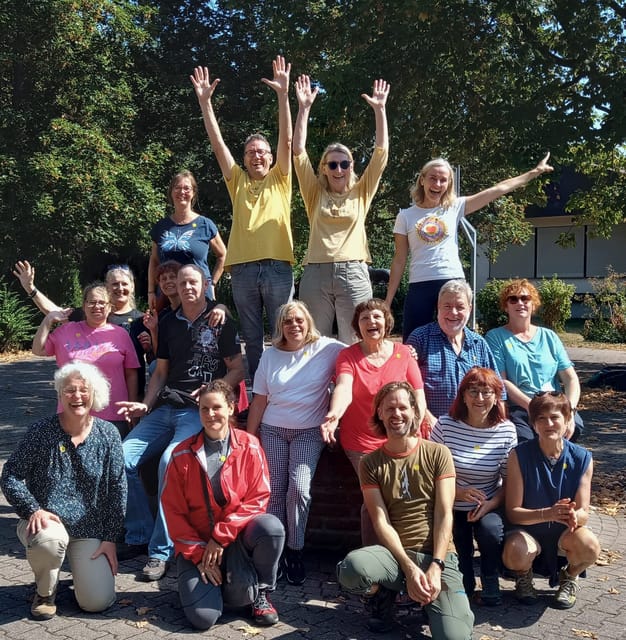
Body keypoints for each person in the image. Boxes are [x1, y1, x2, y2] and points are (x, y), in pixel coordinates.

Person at [116, 264, 245, 582]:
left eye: (193, 282)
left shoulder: (220, 318)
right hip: (163, 409)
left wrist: (212, 393)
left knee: (168, 462)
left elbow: (238, 368)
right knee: (120, 458)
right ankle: (140, 534)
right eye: (183, 282)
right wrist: (144, 406)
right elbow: (160, 372)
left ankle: (160, 552)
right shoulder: (169, 322)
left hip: (195, 412)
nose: (187, 287)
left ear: (204, 285)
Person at [336, 381, 474, 638]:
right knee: (352, 568)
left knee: (454, 636)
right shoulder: (371, 463)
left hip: (439, 556)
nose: (396, 414)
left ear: (414, 411)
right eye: (389, 408)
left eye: (402, 407)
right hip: (395, 557)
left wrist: (436, 566)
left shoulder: (438, 453)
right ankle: (384, 595)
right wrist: (410, 569)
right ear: (379, 413)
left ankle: (427, 601)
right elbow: (381, 521)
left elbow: (445, 514)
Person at [191, 55, 294, 379]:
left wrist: (283, 95)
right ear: (245, 159)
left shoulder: (281, 177)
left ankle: (283, 388)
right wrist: (205, 103)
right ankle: (256, 393)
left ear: (271, 156)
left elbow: (287, 139)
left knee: (284, 333)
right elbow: (217, 143)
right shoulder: (237, 181)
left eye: (262, 151)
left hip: (278, 267)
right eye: (251, 152)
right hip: (244, 270)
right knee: (251, 338)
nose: (257, 155)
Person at [0, 362, 126, 620]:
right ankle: (45, 591)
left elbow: (117, 488)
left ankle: (76, 575)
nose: (77, 396)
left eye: (83, 390)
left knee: (96, 602)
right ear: (59, 394)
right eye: (69, 390)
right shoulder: (41, 431)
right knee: (49, 542)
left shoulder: (108, 434)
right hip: (47, 524)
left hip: (88, 529)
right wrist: (32, 509)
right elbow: (10, 475)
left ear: (94, 394)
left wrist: (110, 539)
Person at [385, 153, 554, 340]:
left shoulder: (454, 207)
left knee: (453, 338)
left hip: (452, 280)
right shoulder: (406, 216)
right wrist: (388, 301)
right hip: (419, 284)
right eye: (433, 178)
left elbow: (499, 189)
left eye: (443, 180)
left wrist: (533, 173)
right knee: (412, 339)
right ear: (422, 180)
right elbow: (399, 260)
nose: (437, 184)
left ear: (448, 184)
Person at [161, 380, 284, 630]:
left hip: (235, 539)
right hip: (197, 545)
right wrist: (197, 554)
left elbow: (258, 497)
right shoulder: (182, 454)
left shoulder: (250, 445)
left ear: (230, 408)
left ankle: (260, 591)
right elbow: (173, 511)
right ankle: (219, 586)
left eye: (216, 407)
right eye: (204, 409)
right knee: (203, 619)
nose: (210, 414)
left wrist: (221, 537)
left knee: (271, 528)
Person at [246, 301, 345, 585]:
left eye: (299, 320)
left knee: (299, 490)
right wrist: (251, 439)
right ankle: (274, 553)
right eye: (288, 321)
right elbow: (260, 399)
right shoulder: (270, 355)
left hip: (309, 431)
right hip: (273, 429)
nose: (294, 325)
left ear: (309, 321)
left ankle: (295, 550)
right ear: (280, 327)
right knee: (275, 491)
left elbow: (357, 355)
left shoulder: (327, 348)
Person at [292, 75, 389, 343]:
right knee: (312, 342)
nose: (338, 169)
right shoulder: (314, 193)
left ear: (351, 167)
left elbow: (381, 154)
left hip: (354, 273)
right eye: (332, 164)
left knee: (358, 341)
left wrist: (380, 110)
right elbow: (298, 152)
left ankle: (353, 387)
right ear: (324, 167)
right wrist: (304, 109)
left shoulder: (361, 192)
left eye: (344, 164)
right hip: (316, 273)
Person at [320, 299, 426, 545]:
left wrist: (414, 427)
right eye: (364, 318)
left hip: (401, 438)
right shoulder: (348, 356)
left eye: (377, 316)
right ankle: (372, 567)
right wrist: (334, 415)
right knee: (374, 498)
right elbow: (344, 388)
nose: (371, 322)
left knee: (406, 497)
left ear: (386, 322)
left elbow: (418, 395)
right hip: (361, 441)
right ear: (357, 325)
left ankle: (408, 554)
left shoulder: (403, 353)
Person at [502, 391, 600, 610]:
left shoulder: (583, 457)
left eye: (555, 417)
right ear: (533, 424)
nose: (549, 423)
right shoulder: (518, 455)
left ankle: (570, 576)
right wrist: (548, 513)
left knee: (590, 546)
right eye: (541, 418)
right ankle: (523, 576)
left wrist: (574, 515)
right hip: (527, 530)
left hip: (565, 531)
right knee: (514, 552)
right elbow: (513, 512)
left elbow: (584, 511)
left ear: (566, 420)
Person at [430, 367, 517, 606]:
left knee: (490, 531)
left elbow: (509, 481)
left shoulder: (506, 431)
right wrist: (456, 492)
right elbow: (428, 471)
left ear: (496, 396)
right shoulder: (445, 426)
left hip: (488, 501)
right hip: (450, 502)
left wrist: (490, 504)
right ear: (463, 395)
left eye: (486, 392)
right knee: (459, 538)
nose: (480, 398)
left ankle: (490, 578)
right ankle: (464, 582)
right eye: (473, 391)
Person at [14, 261, 151, 395]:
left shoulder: (142, 320)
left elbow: (158, 358)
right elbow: (55, 313)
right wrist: (31, 289)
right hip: (90, 394)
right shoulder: (91, 313)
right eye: (115, 284)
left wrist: (150, 346)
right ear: (106, 287)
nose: (120, 288)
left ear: (132, 287)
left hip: (131, 393)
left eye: (124, 284)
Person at [31, 282, 140, 437]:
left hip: (114, 415)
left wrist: (132, 408)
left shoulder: (120, 334)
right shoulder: (66, 330)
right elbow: (38, 349)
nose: (97, 306)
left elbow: (131, 374)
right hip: (73, 415)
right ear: (84, 305)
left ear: (110, 307)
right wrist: (48, 320)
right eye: (92, 302)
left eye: (102, 302)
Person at [485, 278, 584, 443]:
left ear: (533, 304)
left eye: (525, 298)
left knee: (574, 428)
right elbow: (502, 381)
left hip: (554, 403)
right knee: (526, 439)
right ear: (506, 306)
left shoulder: (549, 336)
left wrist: (570, 411)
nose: (520, 303)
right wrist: (534, 407)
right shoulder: (495, 337)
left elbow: (570, 378)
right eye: (513, 299)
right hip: (521, 406)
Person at [406, 279, 501, 431]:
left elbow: (498, 390)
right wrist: (425, 416)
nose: (453, 313)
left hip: (472, 431)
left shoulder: (479, 343)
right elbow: (405, 387)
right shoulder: (420, 339)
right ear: (438, 307)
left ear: (470, 309)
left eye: (460, 307)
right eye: (447, 306)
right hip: (430, 429)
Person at [148, 170, 226, 308]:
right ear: (171, 192)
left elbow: (223, 255)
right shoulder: (161, 227)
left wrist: (212, 283)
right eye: (177, 188)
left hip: (198, 293)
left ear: (193, 193)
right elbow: (154, 260)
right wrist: (151, 292)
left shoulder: (205, 224)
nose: (181, 192)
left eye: (186, 188)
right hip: (168, 295)